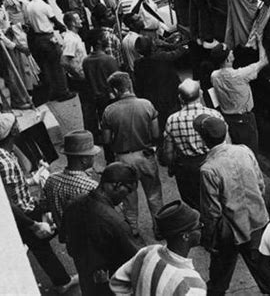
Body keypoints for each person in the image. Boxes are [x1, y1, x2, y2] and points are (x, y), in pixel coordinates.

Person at [0, 113, 78, 294]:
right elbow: (7, 200)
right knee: (49, 235)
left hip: (27, 206)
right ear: (12, 132)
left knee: (41, 247)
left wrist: (31, 181)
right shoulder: (5, 162)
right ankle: (64, 280)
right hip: (25, 213)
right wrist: (33, 224)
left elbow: (15, 183)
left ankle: (62, 281)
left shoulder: (1, 153)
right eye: (15, 125)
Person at [195, 114, 270, 296]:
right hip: (257, 221)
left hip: (230, 231)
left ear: (203, 139)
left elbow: (212, 211)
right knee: (263, 269)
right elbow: (260, 185)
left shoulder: (208, 169)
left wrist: (209, 238)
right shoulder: (244, 151)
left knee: (219, 276)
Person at [102, 71, 164, 237]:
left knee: (128, 196)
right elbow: (156, 133)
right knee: (154, 194)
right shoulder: (146, 105)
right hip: (145, 155)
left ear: (115, 90)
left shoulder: (109, 111)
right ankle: (159, 228)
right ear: (129, 85)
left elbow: (106, 139)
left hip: (123, 158)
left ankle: (133, 229)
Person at [63, 162, 139, 296]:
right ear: (117, 186)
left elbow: (64, 238)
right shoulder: (115, 222)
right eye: (128, 190)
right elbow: (133, 258)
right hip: (109, 282)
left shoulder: (73, 203)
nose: (127, 196)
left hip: (85, 273)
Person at [110, 200, 206, 295]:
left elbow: (117, 282)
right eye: (198, 226)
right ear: (186, 236)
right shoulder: (191, 286)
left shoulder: (147, 252)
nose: (202, 227)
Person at [162, 78, 225, 210]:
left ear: (180, 98)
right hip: (213, 163)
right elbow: (225, 144)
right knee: (215, 201)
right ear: (201, 94)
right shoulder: (214, 115)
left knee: (194, 202)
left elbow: (168, 152)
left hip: (187, 169)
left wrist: (171, 167)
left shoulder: (172, 120)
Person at [209, 39, 267, 155]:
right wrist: (260, 43)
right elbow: (263, 61)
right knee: (250, 154)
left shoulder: (214, 76)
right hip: (244, 121)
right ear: (228, 59)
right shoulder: (240, 75)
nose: (232, 53)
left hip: (228, 120)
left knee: (235, 154)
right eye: (230, 52)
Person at [26, 0, 75, 102]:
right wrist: (64, 28)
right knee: (58, 65)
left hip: (37, 39)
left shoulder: (29, 5)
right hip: (48, 37)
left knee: (46, 67)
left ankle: (53, 91)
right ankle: (63, 92)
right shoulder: (44, 6)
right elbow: (55, 21)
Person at [44, 129, 99, 229]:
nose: (94, 158)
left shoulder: (51, 180)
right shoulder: (91, 187)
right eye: (93, 156)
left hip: (66, 235)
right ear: (84, 160)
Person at [134, 36, 187, 132]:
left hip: (152, 97)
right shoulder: (162, 57)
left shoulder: (138, 64)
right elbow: (179, 52)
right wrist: (167, 44)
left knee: (159, 121)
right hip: (169, 95)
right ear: (152, 47)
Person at [83, 28, 119, 144]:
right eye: (104, 37)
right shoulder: (109, 60)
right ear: (99, 41)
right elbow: (117, 80)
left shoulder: (86, 61)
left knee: (105, 127)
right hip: (110, 99)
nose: (106, 39)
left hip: (96, 100)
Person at [92, 3, 124, 68]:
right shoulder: (109, 37)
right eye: (109, 15)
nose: (113, 16)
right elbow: (111, 62)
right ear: (103, 20)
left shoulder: (106, 33)